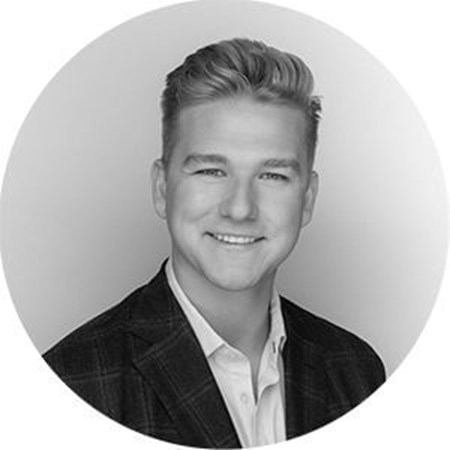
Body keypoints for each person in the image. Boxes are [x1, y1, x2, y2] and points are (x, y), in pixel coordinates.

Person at [43, 38, 385, 448]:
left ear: (307, 199)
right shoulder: (69, 385)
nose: (240, 209)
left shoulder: (357, 371)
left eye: (273, 176)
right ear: (162, 189)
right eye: (210, 171)